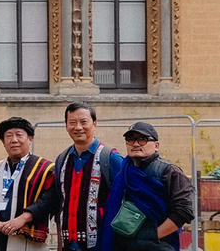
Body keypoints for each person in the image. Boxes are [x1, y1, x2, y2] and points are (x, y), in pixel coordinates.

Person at [33, 102, 127, 251]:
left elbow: (127, 199)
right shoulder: (62, 159)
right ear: (66, 126)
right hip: (68, 244)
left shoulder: (110, 158)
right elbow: (59, 202)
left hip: (103, 243)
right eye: (72, 122)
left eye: (83, 122)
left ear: (94, 124)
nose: (78, 127)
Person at [110, 122, 194, 251]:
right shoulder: (123, 171)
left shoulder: (170, 172)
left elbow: (184, 211)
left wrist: (154, 235)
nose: (136, 144)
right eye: (130, 140)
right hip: (125, 242)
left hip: (158, 244)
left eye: (142, 139)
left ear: (156, 146)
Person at [0, 118, 56, 251]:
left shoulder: (45, 169)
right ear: (3, 142)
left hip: (27, 242)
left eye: (19, 135)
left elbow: (50, 199)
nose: (14, 140)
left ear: (30, 139)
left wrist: (23, 218)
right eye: (8, 136)